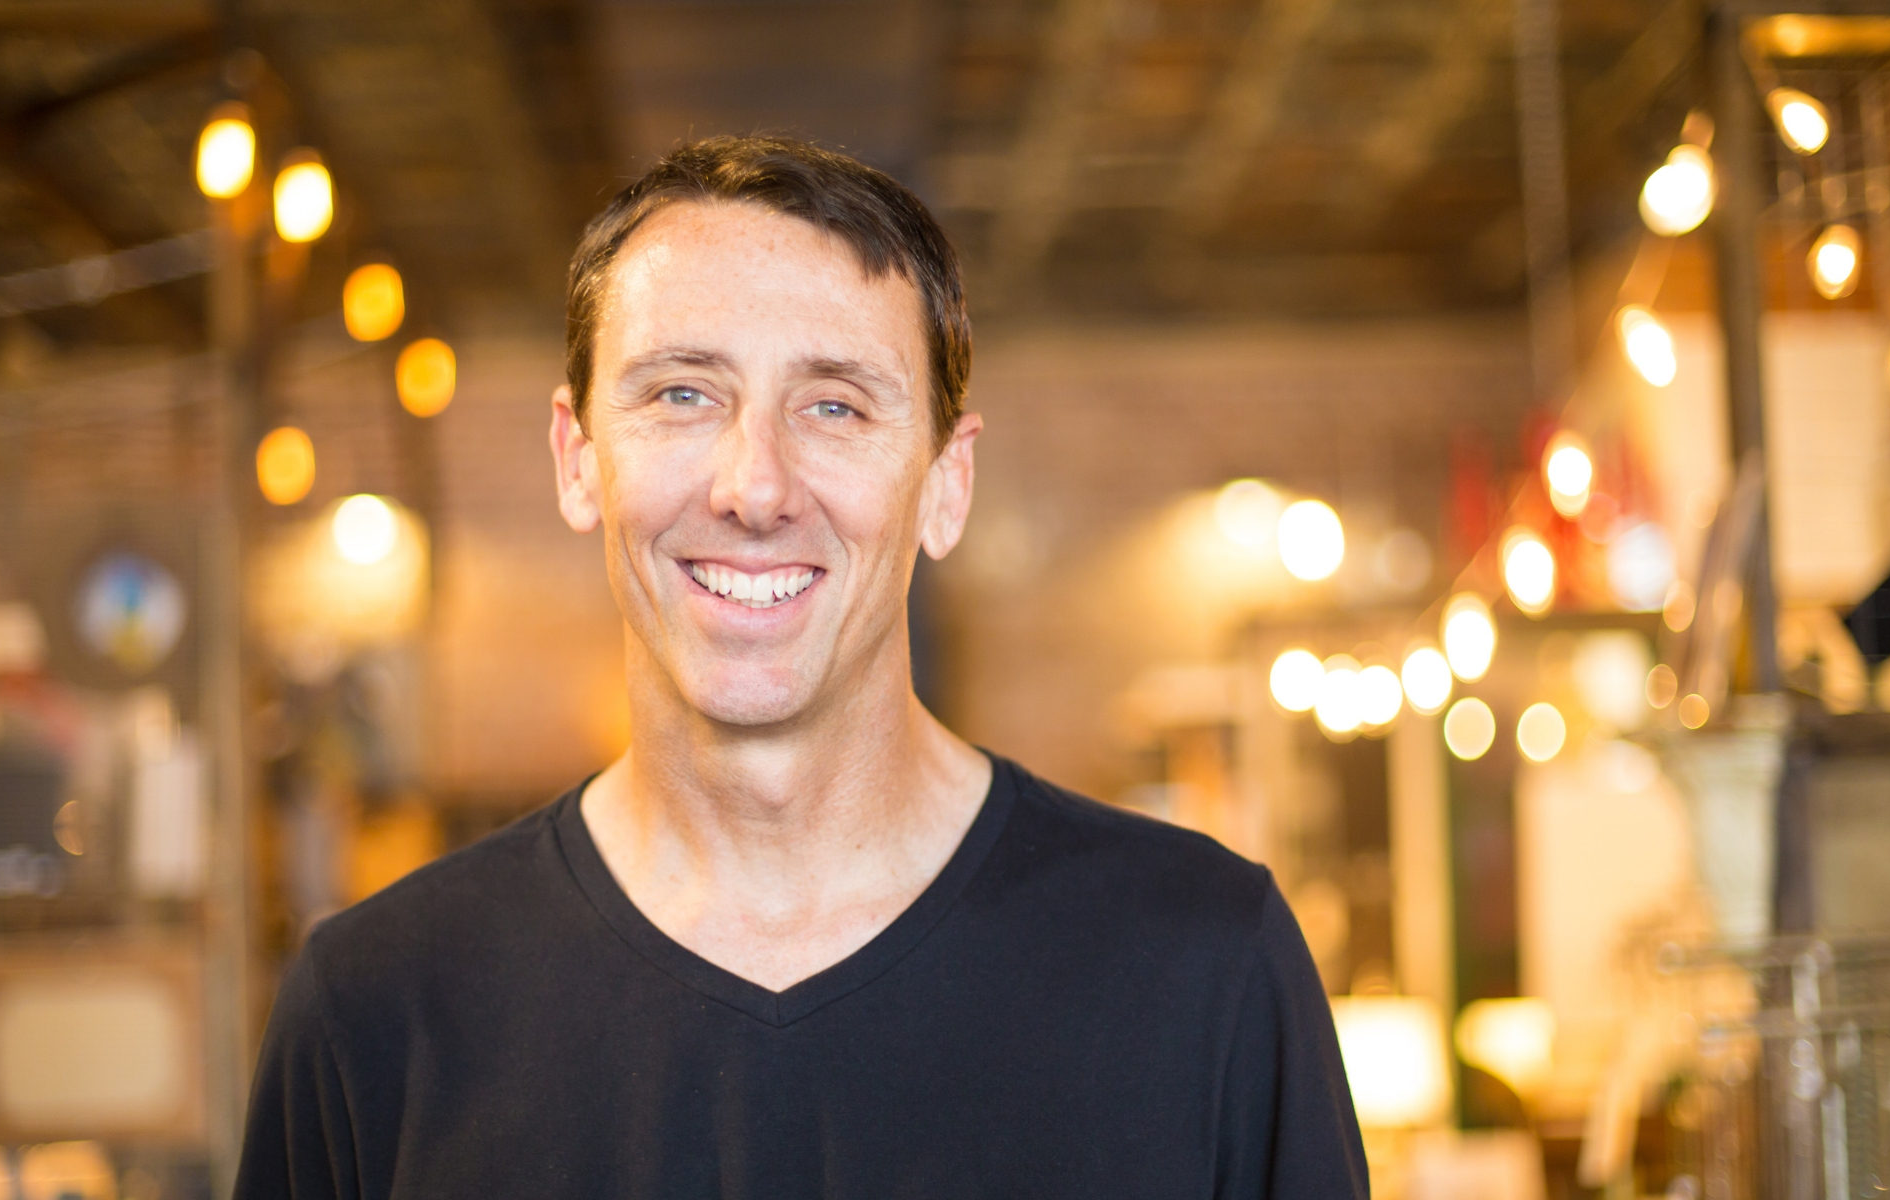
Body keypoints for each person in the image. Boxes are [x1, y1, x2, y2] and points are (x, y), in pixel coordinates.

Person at [235, 135, 1368, 1199]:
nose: (755, 485)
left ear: (944, 484)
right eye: (682, 393)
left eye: (833, 404)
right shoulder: (374, 1014)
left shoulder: (1205, 966)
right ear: (578, 459)